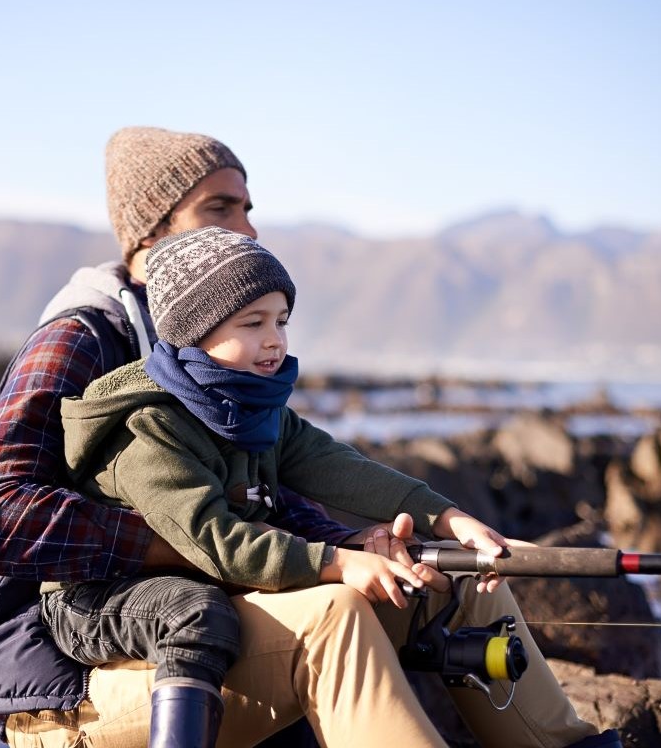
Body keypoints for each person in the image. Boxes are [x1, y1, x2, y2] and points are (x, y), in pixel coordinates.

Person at [0, 126, 621, 748]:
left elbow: (287, 478)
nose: (248, 228)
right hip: (71, 671)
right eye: (220, 208)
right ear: (150, 233)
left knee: (457, 581)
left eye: (247, 208)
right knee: (335, 612)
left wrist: (384, 535)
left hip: (219, 612)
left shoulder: (230, 370)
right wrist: (190, 546)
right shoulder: (84, 343)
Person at [44, 225, 530, 747]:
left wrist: (448, 518)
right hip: (98, 598)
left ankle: (560, 740)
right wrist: (338, 562)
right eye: (253, 323)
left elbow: (338, 466)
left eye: (281, 320)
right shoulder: (147, 428)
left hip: (207, 578)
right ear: (193, 331)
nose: (275, 339)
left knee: (452, 576)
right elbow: (216, 540)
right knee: (198, 610)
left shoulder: (254, 408)